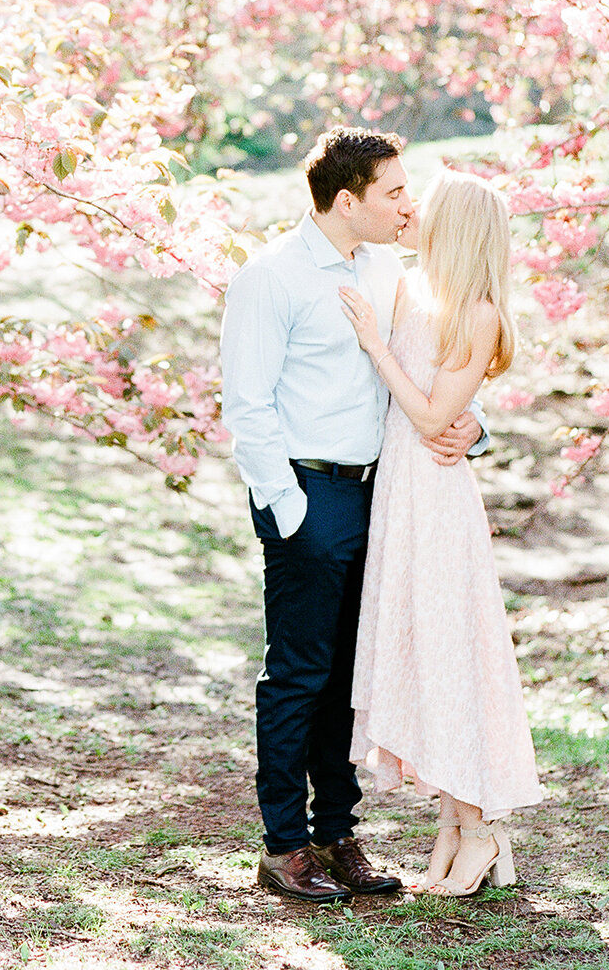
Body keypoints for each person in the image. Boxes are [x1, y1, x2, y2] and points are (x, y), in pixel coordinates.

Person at [219, 128, 485, 903]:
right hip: (311, 493)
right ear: (347, 200)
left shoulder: (387, 269)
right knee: (300, 674)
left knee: (350, 671)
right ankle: (284, 845)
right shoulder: (270, 277)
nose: (410, 205)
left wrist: (476, 426)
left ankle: (339, 834)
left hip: (387, 490)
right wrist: (291, 510)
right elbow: (248, 405)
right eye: (394, 192)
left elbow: (430, 370)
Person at [338, 170, 544, 897]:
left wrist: (375, 344)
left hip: (437, 498)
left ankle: (481, 825)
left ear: (455, 225)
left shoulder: (478, 311)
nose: (409, 208)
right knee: (424, 653)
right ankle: (455, 824)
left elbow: (432, 417)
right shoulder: (411, 290)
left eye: (423, 203)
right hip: (399, 491)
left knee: (453, 653)